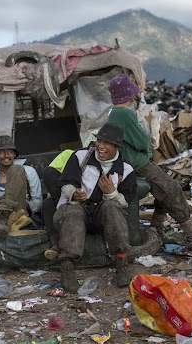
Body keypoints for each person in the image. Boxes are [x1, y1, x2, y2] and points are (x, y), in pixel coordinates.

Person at [106, 73, 192, 250]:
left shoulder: (113, 112)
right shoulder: (124, 113)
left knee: (164, 187)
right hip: (139, 164)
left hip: (131, 163)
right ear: (128, 94)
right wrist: (146, 143)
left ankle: (157, 227)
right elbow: (141, 142)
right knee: (171, 188)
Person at [54, 122, 136, 292]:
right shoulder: (80, 156)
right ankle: (67, 267)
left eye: (107, 143)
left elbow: (125, 201)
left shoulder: (125, 169)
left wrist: (111, 193)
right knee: (73, 209)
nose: (101, 146)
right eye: (99, 141)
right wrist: (74, 193)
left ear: (117, 147)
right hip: (78, 210)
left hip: (101, 215)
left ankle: (121, 263)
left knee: (112, 206)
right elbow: (65, 183)